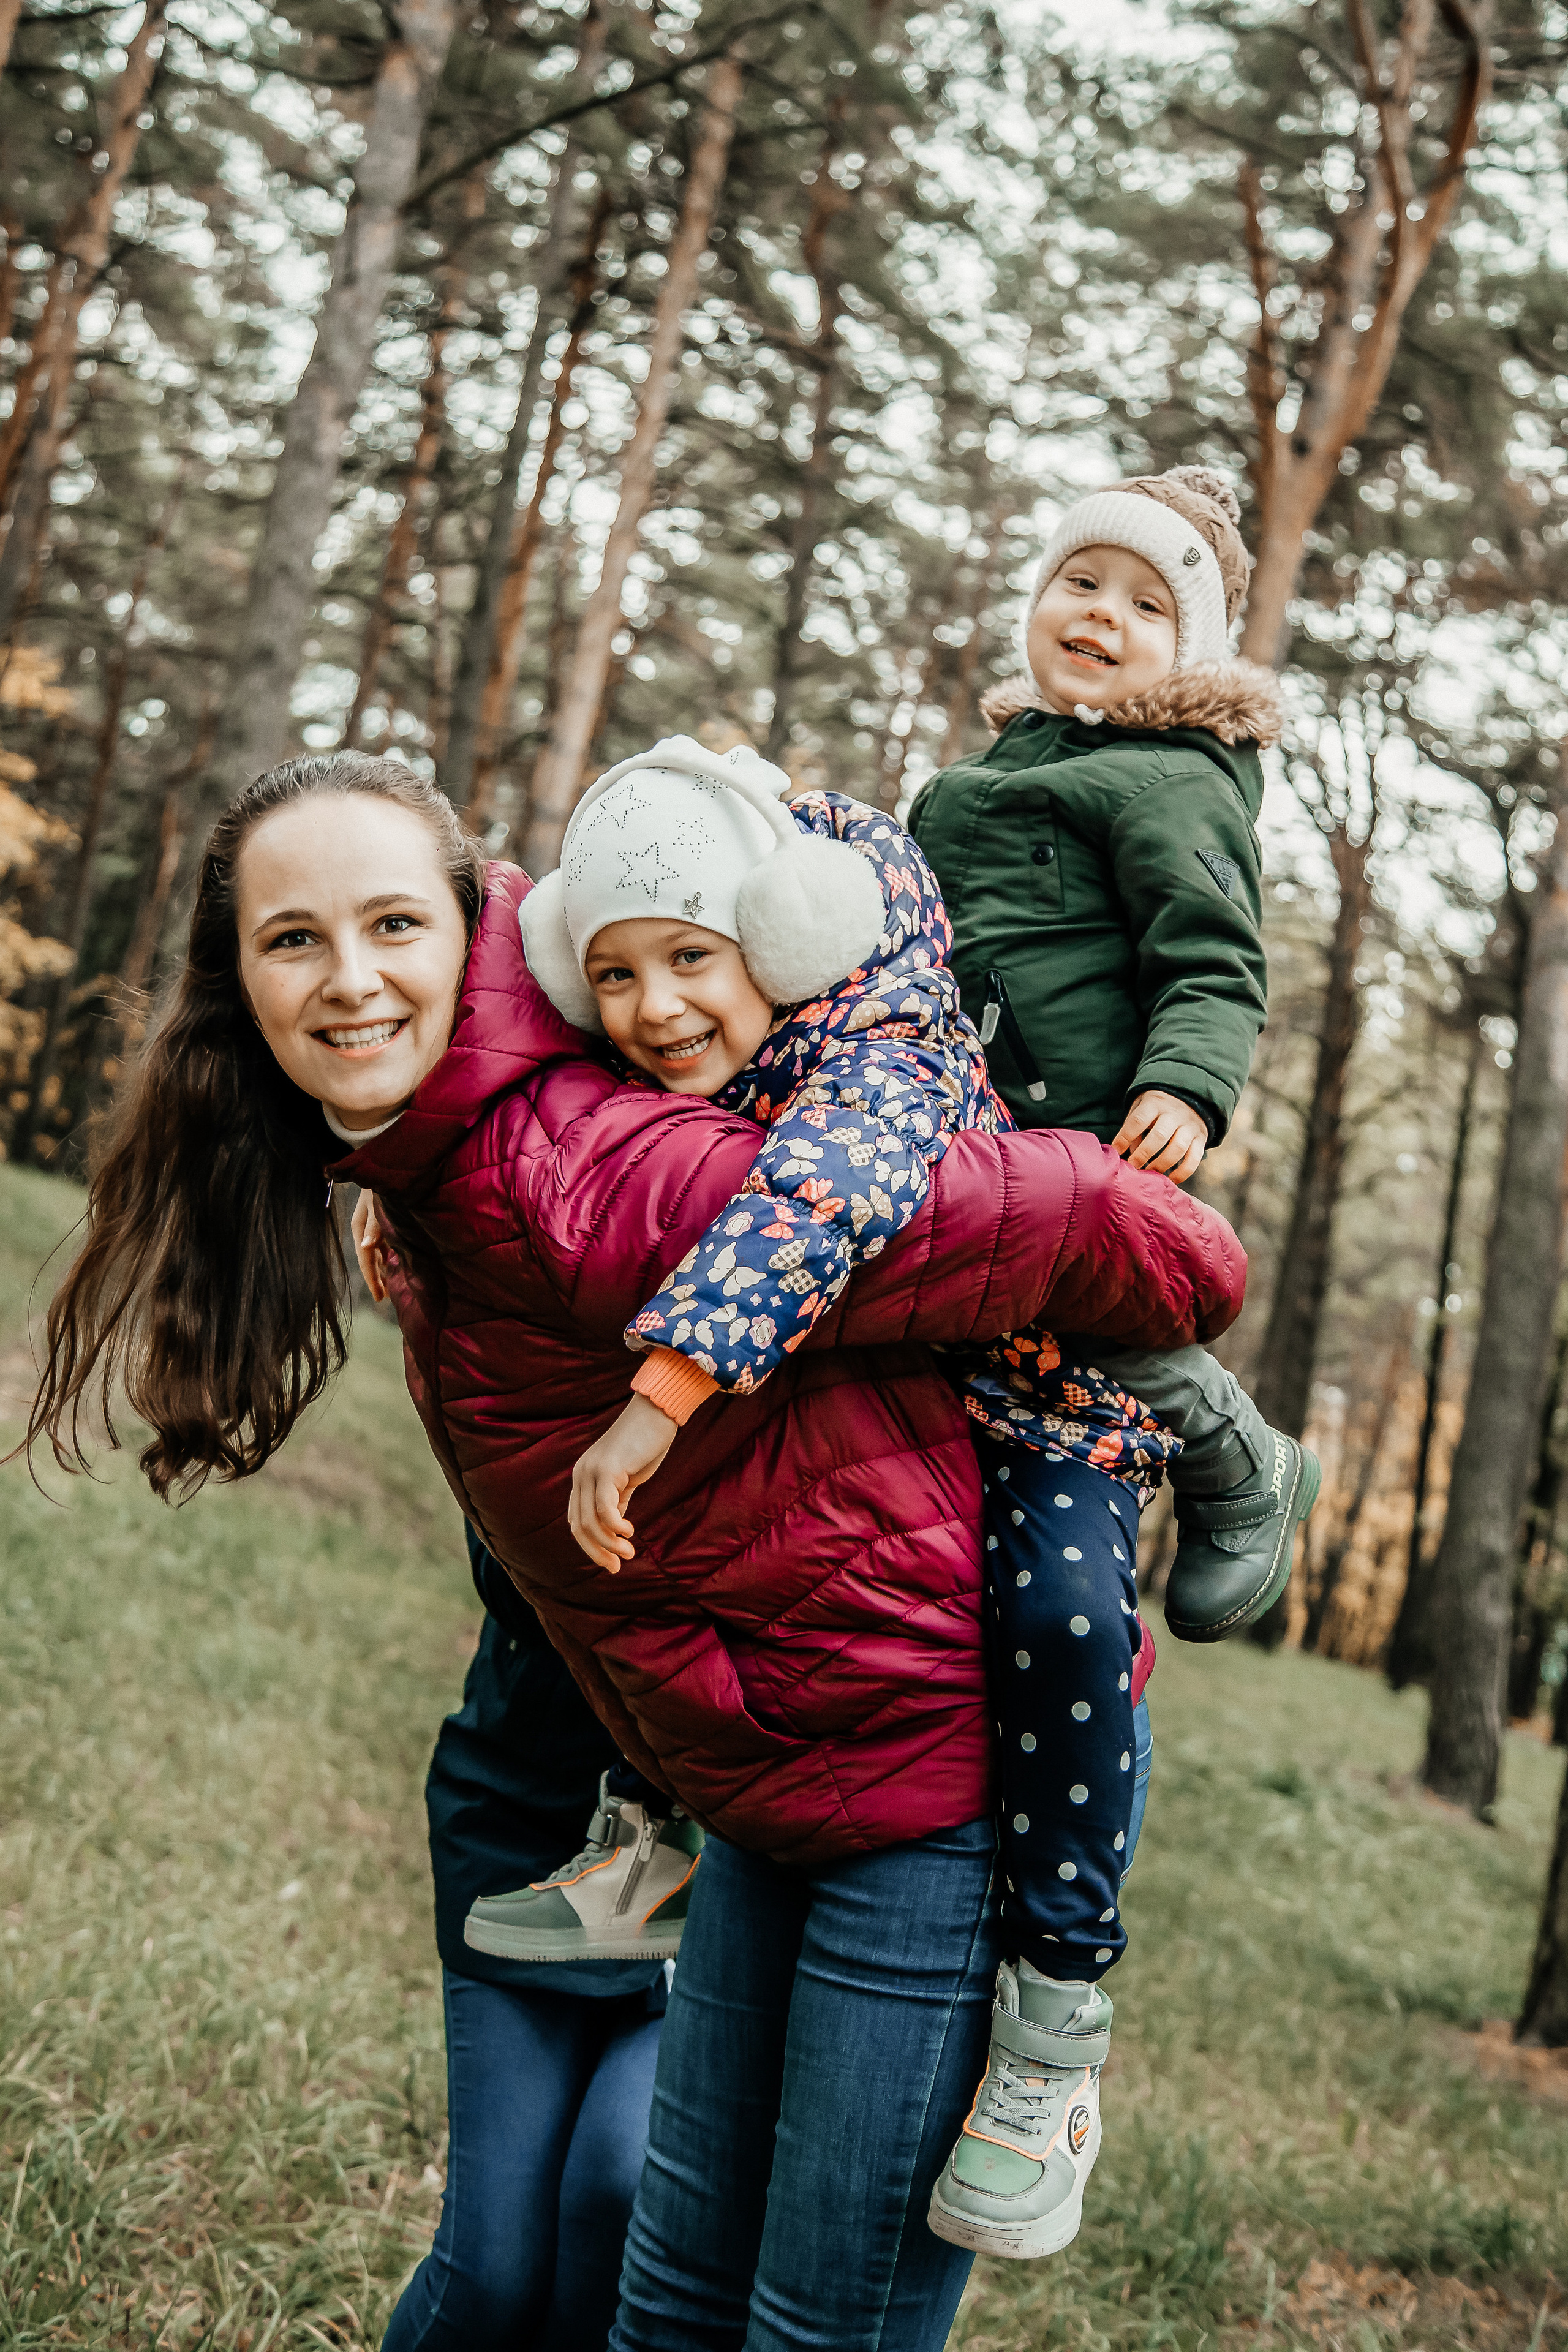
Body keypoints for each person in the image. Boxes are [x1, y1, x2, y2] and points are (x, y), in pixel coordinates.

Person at [26, 752, 1242, 2350]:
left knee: (800, 2326)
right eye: (291, 940)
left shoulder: (586, 1173)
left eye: (394, 921)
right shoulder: (432, 1147)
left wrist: (1196, 1368)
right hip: (751, 1779)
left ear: (471, 933)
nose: (350, 976)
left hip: (912, 1779)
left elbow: (1111, 1228)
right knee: (662, 2301)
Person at [508, 730, 1309, 2266]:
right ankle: (646, 1827)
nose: (654, 1007)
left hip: (1039, 1406)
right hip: (884, 1419)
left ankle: (1056, 2024)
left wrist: (661, 1392)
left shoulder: (873, 1056)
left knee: (1064, 1623)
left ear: (783, 936)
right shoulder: (688, 1060)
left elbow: (815, 1200)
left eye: (690, 956)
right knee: (644, 1553)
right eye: (613, 977)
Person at [384, 1526, 668, 2350]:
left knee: (618, 2185)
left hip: (714, 1872)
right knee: (490, 2279)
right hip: (526, 1825)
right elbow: (514, 1563)